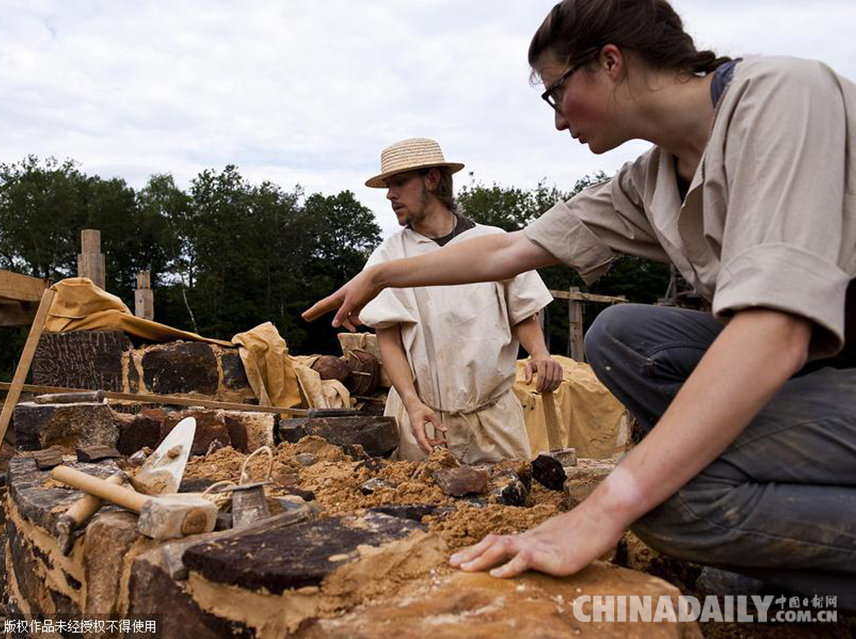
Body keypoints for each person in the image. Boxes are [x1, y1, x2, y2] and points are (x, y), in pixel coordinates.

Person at [305, 0, 856, 604]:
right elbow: (505, 252)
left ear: (610, 62)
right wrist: (382, 277)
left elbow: (775, 328)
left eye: (555, 92)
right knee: (620, 336)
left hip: (823, 364)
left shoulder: (784, 98)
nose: (559, 120)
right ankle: (773, 510)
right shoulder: (651, 181)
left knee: (667, 502)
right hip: (816, 376)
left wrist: (602, 510)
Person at [358, 137, 561, 463]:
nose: (389, 194)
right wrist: (411, 402)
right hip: (422, 422)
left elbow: (523, 311)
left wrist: (539, 352)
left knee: (508, 507)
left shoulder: (493, 242)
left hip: (492, 420)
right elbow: (389, 339)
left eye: (398, 183)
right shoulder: (389, 256)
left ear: (432, 179)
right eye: (388, 185)